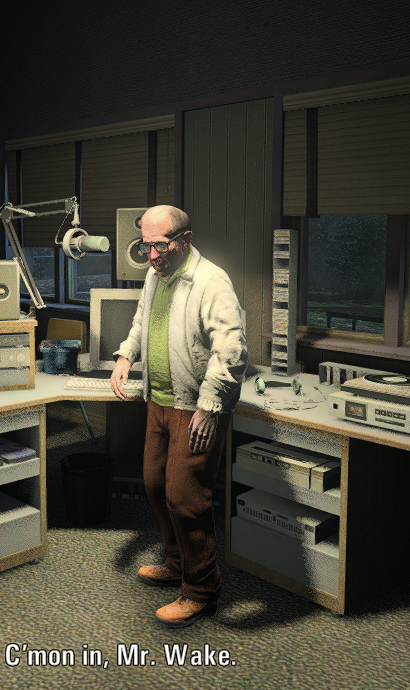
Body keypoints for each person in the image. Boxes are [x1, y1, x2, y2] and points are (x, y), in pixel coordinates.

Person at [109, 205, 247, 628]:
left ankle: (201, 590)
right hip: (159, 401)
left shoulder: (211, 281)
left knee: (188, 500)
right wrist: (125, 355)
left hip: (195, 408)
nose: (151, 254)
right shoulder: (156, 275)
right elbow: (141, 322)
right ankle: (176, 563)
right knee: (154, 484)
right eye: (145, 245)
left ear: (184, 239)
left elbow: (231, 349)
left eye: (159, 245)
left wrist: (210, 406)